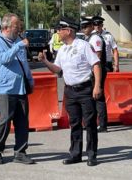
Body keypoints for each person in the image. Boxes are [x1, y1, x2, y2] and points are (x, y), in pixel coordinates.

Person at [38, 17, 101, 167]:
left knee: (90, 123)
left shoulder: (83, 45)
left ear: (69, 30)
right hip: (70, 91)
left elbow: (96, 65)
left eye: (60, 29)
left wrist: (97, 85)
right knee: (74, 123)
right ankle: (76, 154)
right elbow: (58, 70)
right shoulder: (62, 49)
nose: (58, 32)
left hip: (85, 89)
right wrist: (45, 62)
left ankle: (92, 155)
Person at [0, 13, 35, 165]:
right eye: (16, 26)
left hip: (20, 88)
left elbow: (24, 63)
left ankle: (20, 152)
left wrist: (29, 79)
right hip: (5, 88)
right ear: (6, 27)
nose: (19, 29)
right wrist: (19, 46)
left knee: (22, 122)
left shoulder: (18, 41)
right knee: (5, 121)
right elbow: (4, 59)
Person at [81, 16, 108, 133]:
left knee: (98, 97)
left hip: (97, 71)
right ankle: (92, 122)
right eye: (82, 27)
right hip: (92, 71)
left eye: (86, 26)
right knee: (92, 97)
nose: (83, 29)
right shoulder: (88, 38)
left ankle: (102, 125)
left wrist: (92, 71)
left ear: (92, 26)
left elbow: (98, 55)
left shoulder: (95, 38)